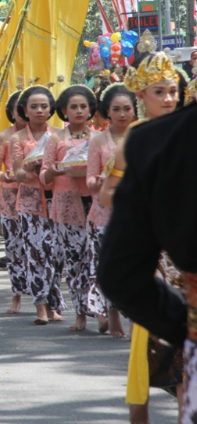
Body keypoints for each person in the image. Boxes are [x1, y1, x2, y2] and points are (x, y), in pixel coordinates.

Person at [97, 52, 183, 423]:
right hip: (154, 257)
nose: (167, 98)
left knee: (186, 357)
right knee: (146, 344)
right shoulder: (136, 139)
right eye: (158, 91)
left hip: (186, 253)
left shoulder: (188, 131)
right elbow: (106, 194)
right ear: (141, 97)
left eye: (173, 91)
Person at [40, 85, 98, 332]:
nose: (78, 111)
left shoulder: (99, 138)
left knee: (97, 259)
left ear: (90, 110)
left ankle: (102, 310)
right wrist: (55, 169)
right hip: (66, 206)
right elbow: (44, 175)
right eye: (73, 107)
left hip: (97, 203)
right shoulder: (55, 139)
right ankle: (80, 313)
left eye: (83, 106)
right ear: (64, 111)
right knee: (75, 262)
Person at [85, 83, 135, 339]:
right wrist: (101, 181)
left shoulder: (142, 136)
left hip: (137, 214)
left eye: (127, 108)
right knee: (108, 266)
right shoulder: (98, 142)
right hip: (105, 213)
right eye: (116, 109)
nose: (122, 114)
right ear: (108, 112)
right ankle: (112, 313)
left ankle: (138, 315)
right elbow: (90, 179)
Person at [11, 85, 63, 325]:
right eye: (34, 106)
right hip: (30, 201)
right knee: (35, 254)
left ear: (51, 109)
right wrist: (30, 167)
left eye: (44, 106)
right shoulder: (18, 139)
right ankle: (40, 305)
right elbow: (17, 174)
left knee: (55, 254)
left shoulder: (60, 136)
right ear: (25, 110)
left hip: (57, 200)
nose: (40, 110)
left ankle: (54, 303)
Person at [0, 91, 28, 314]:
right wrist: (4, 176)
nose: (24, 113)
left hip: (39, 197)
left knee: (41, 250)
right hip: (11, 198)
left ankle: (47, 301)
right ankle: (17, 296)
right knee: (14, 248)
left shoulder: (48, 136)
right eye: (19, 109)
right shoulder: (4, 136)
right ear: (12, 112)